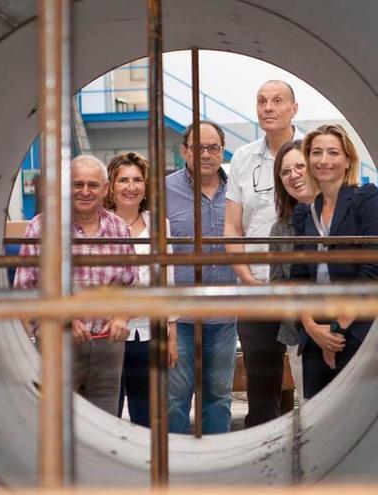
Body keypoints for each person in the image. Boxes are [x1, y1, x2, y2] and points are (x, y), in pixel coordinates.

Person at [14, 155, 137, 415]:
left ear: (105, 189)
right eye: (77, 184)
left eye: (93, 185)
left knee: (104, 424)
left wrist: (121, 317)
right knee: (56, 422)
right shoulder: (41, 227)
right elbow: (25, 288)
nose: (85, 191)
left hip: (108, 346)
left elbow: (131, 285)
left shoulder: (119, 229)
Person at [290, 124, 378, 399]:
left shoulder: (364, 198)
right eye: (317, 152)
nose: (324, 160)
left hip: (355, 326)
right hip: (314, 330)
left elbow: (372, 267)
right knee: (315, 419)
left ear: (347, 160)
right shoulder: (304, 212)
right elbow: (299, 276)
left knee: (358, 409)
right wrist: (312, 327)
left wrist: (336, 330)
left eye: (333, 152)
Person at [224, 80, 303, 427]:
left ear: (293, 108)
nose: (268, 107)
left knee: (309, 374)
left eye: (276, 101)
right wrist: (246, 277)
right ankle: (264, 460)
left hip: (302, 283)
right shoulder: (243, 158)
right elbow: (232, 227)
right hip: (255, 285)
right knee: (262, 383)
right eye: (261, 101)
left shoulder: (310, 152)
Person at [166, 120, 237, 434]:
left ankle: (217, 466)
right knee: (175, 397)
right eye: (198, 147)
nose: (206, 154)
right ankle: (176, 466)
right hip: (179, 316)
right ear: (184, 150)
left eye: (214, 147)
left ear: (222, 152)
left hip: (224, 315)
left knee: (219, 397)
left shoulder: (237, 191)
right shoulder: (164, 191)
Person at [104, 151, 178, 427]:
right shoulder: (100, 224)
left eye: (137, 180)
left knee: (147, 416)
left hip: (148, 333)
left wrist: (172, 336)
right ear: (111, 185)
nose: (131, 187)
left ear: (146, 185)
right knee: (107, 411)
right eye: (123, 180)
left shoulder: (160, 225)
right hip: (107, 332)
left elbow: (167, 278)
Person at [268, 139, 315, 401]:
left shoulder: (343, 214)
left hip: (344, 331)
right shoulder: (280, 229)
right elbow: (278, 286)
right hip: (298, 336)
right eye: (285, 172)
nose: (293, 175)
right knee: (310, 406)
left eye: (299, 166)